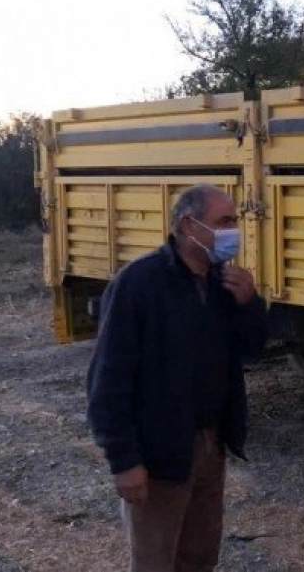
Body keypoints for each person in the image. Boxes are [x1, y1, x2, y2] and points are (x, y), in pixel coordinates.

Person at [87, 184, 268, 572]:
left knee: (200, 555)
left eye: (235, 220)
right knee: (155, 559)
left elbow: (253, 349)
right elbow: (108, 380)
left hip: (210, 444)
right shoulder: (138, 284)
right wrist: (124, 461)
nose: (233, 230)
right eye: (224, 221)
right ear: (189, 225)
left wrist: (250, 303)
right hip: (158, 450)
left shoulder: (224, 284)